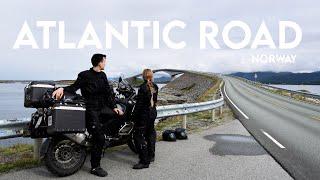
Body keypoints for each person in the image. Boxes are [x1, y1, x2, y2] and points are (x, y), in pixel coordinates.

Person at [52, 53, 124, 177]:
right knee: (99, 138)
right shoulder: (84, 75)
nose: (105, 63)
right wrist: (62, 89)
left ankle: (100, 136)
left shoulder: (102, 75)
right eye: (104, 61)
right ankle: (95, 167)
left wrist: (114, 107)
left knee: (120, 116)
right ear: (99, 62)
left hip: (102, 108)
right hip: (91, 110)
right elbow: (74, 87)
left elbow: (108, 93)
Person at [132, 69, 159, 169]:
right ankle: (151, 156)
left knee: (138, 136)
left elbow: (139, 105)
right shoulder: (155, 86)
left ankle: (144, 161)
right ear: (151, 76)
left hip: (144, 114)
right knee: (150, 134)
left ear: (143, 76)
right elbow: (154, 100)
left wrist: (133, 115)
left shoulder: (143, 87)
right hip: (153, 112)